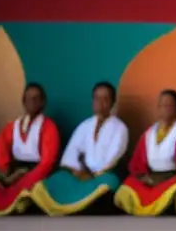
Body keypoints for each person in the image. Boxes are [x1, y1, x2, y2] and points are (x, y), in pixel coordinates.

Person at [31, 82, 129, 216]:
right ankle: (76, 206)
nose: (100, 102)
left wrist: (90, 174)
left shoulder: (120, 128)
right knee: (58, 179)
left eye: (105, 98)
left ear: (112, 102)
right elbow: (72, 152)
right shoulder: (85, 125)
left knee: (107, 184)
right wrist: (77, 171)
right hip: (80, 174)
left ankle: (80, 206)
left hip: (102, 175)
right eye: (96, 98)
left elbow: (112, 157)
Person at [0, 83, 60, 216]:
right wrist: (5, 168)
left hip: (36, 172)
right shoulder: (14, 126)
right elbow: (2, 144)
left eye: (36, 98)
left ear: (43, 103)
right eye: (28, 98)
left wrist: (26, 179)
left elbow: (47, 162)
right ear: (23, 102)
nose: (31, 102)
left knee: (26, 191)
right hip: (14, 169)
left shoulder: (48, 127)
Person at [114, 89, 176, 216]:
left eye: (169, 105)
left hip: (170, 178)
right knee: (127, 187)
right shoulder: (149, 133)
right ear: (158, 108)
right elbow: (137, 162)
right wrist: (143, 176)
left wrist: (172, 179)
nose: (165, 108)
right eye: (162, 105)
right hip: (150, 178)